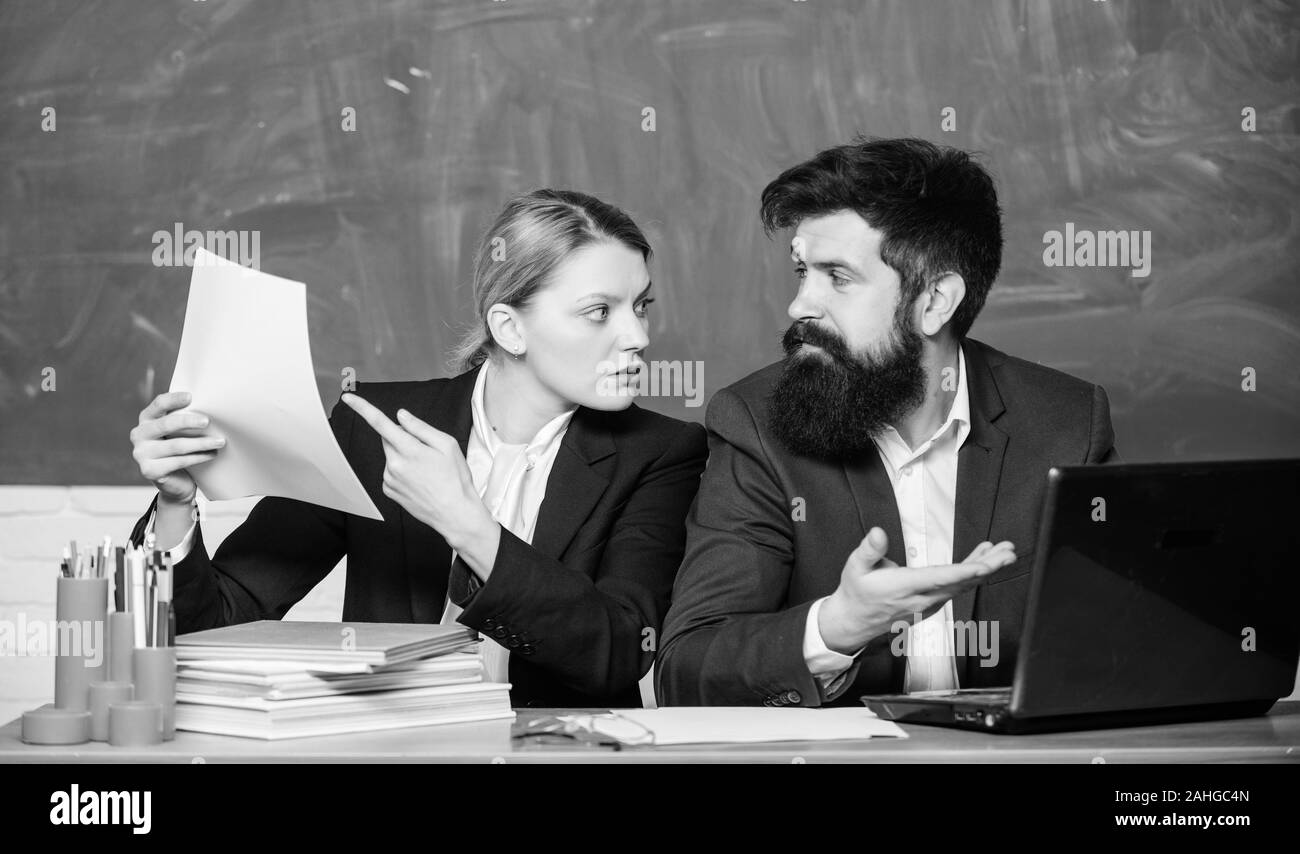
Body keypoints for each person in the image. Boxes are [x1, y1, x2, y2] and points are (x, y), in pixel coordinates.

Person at [128, 189, 707, 708]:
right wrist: (176, 505)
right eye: (600, 312)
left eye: (641, 306)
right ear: (509, 328)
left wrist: (470, 528)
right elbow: (217, 621)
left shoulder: (662, 452)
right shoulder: (376, 431)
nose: (637, 337)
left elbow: (618, 654)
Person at [657, 137, 1120, 707]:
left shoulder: (1069, 423)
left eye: (838, 277)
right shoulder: (754, 423)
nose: (800, 305)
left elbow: (1125, 641)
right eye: (803, 272)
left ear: (935, 302)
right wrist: (836, 627)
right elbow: (687, 667)